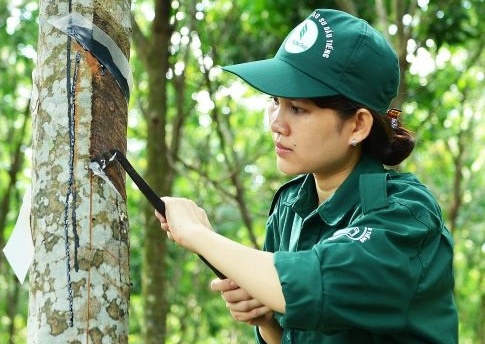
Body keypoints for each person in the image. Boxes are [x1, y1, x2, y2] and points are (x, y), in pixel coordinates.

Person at [155, 8, 458, 344]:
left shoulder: (404, 214)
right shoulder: (290, 208)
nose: (276, 123)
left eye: (298, 109)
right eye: (275, 101)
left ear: (357, 125)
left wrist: (197, 234)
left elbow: (316, 281)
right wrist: (267, 322)